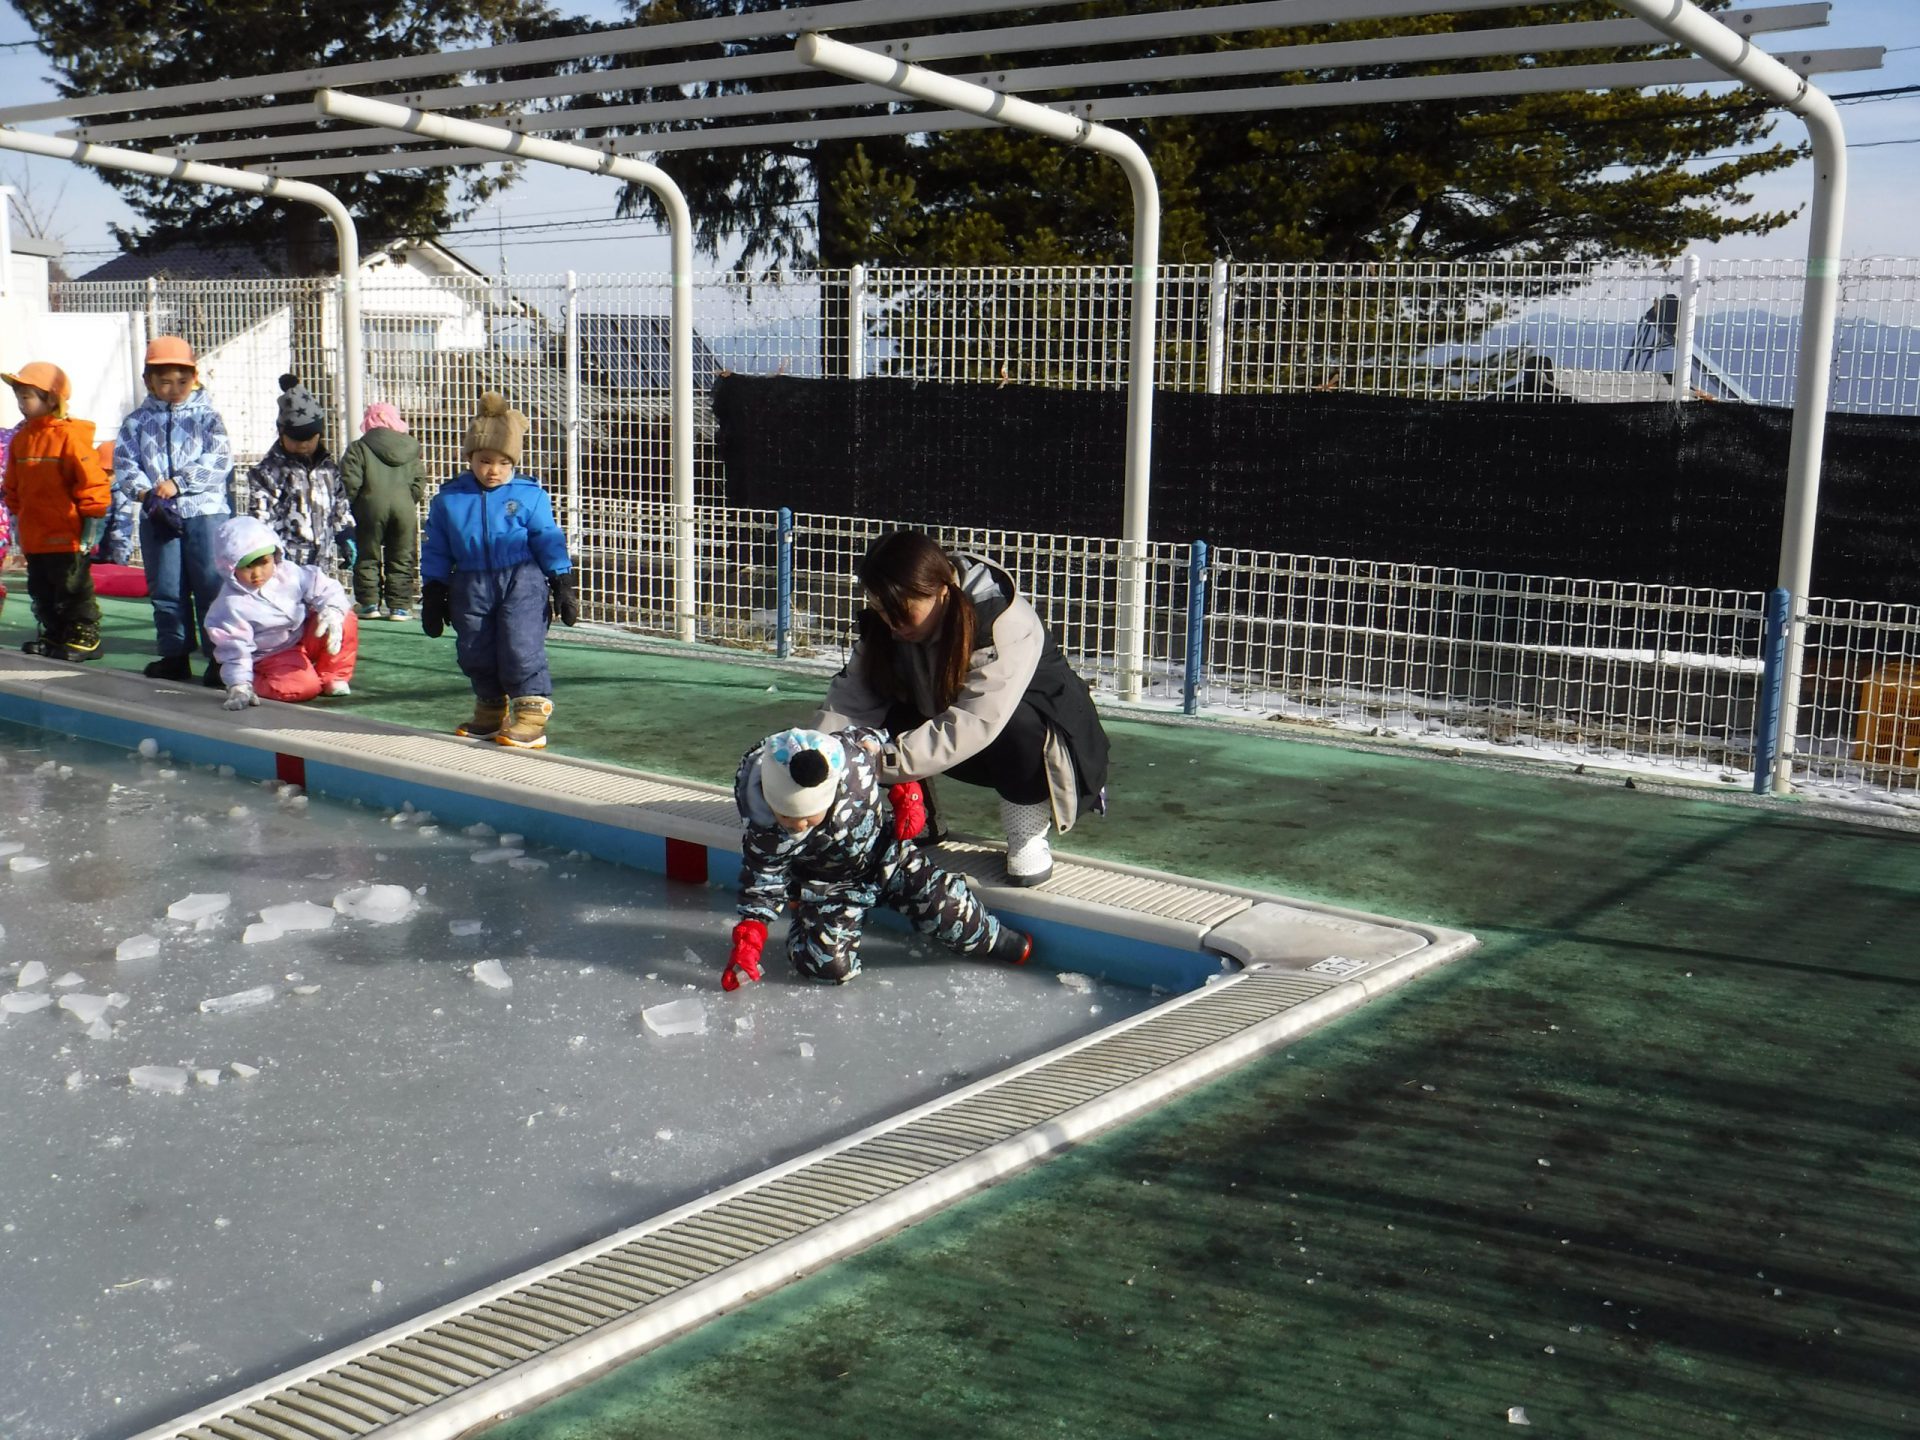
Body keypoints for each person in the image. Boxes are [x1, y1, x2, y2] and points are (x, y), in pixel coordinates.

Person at [815, 530, 1109, 887]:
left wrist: (884, 760)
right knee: (874, 714)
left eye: (903, 612)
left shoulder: (1000, 619)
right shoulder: (891, 623)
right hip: (957, 733)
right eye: (882, 611)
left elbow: (976, 720)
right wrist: (820, 760)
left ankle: (1026, 832)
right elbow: (850, 699)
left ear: (941, 591)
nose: (893, 625)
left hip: (1044, 746)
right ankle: (921, 817)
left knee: (1018, 724)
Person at [724, 725, 1032, 990]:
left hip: (888, 855)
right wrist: (751, 938)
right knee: (827, 968)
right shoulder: (764, 829)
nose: (798, 825)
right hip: (826, 887)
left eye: (808, 816)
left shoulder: (853, 760)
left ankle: (992, 937)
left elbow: (886, 747)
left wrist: (907, 791)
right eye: (786, 817)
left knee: (945, 905)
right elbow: (762, 882)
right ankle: (805, 925)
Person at [419, 392, 578, 749]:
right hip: (470, 582)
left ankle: (531, 716)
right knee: (474, 647)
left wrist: (561, 581)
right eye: (485, 461)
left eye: (504, 463)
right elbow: (437, 547)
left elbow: (547, 537)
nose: (494, 470)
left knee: (521, 644)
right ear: (470, 458)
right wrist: (434, 590)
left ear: (514, 463)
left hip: (521, 579)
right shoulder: (449, 500)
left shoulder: (529, 495)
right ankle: (490, 709)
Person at [114, 336, 234, 685]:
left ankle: (220, 658)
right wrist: (145, 493)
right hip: (158, 514)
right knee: (166, 587)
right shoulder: (136, 422)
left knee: (211, 585)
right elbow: (125, 463)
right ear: (148, 381)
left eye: (182, 381)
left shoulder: (208, 418)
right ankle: (174, 655)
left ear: (194, 378)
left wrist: (179, 483)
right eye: (165, 381)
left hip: (205, 512)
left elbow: (220, 460)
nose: (174, 389)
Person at [2, 361, 111, 661]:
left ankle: (85, 636)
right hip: (35, 532)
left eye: (27, 396)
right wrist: (17, 513)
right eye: (19, 396)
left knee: (72, 586)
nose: (21, 403)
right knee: (41, 587)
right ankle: (56, 633)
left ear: (52, 398)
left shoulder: (69, 436)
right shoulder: (23, 439)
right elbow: (13, 484)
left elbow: (91, 480)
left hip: (66, 532)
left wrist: (92, 517)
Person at [204, 515, 356, 710]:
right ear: (230, 566)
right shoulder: (232, 604)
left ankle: (333, 676)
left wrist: (332, 609)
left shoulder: (289, 573)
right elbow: (235, 648)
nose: (257, 574)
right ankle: (248, 681)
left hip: (301, 636)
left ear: (274, 555)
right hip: (272, 654)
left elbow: (324, 587)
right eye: (247, 566)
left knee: (343, 617)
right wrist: (239, 683)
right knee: (301, 688)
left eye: (264, 562)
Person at [247, 374, 355, 578]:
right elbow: (261, 516)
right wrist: (266, 553)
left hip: (322, 561)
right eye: (296, 439)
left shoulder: (328, 469)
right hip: (284, 564)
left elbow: (340, 505)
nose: (304, 445)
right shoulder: (269, 472)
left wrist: (346, 534)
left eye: (310, 438)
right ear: (282, 434)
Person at [340, 401, 427, 621]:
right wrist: (408, 499)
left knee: (367, 554)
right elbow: (419, 482)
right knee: (401, 555)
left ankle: (369, 603)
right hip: (404, 508)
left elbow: (350, 482)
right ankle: (399, 606)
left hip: (368, 507)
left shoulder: (359, 448)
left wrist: (356, 504)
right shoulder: (411, 449)